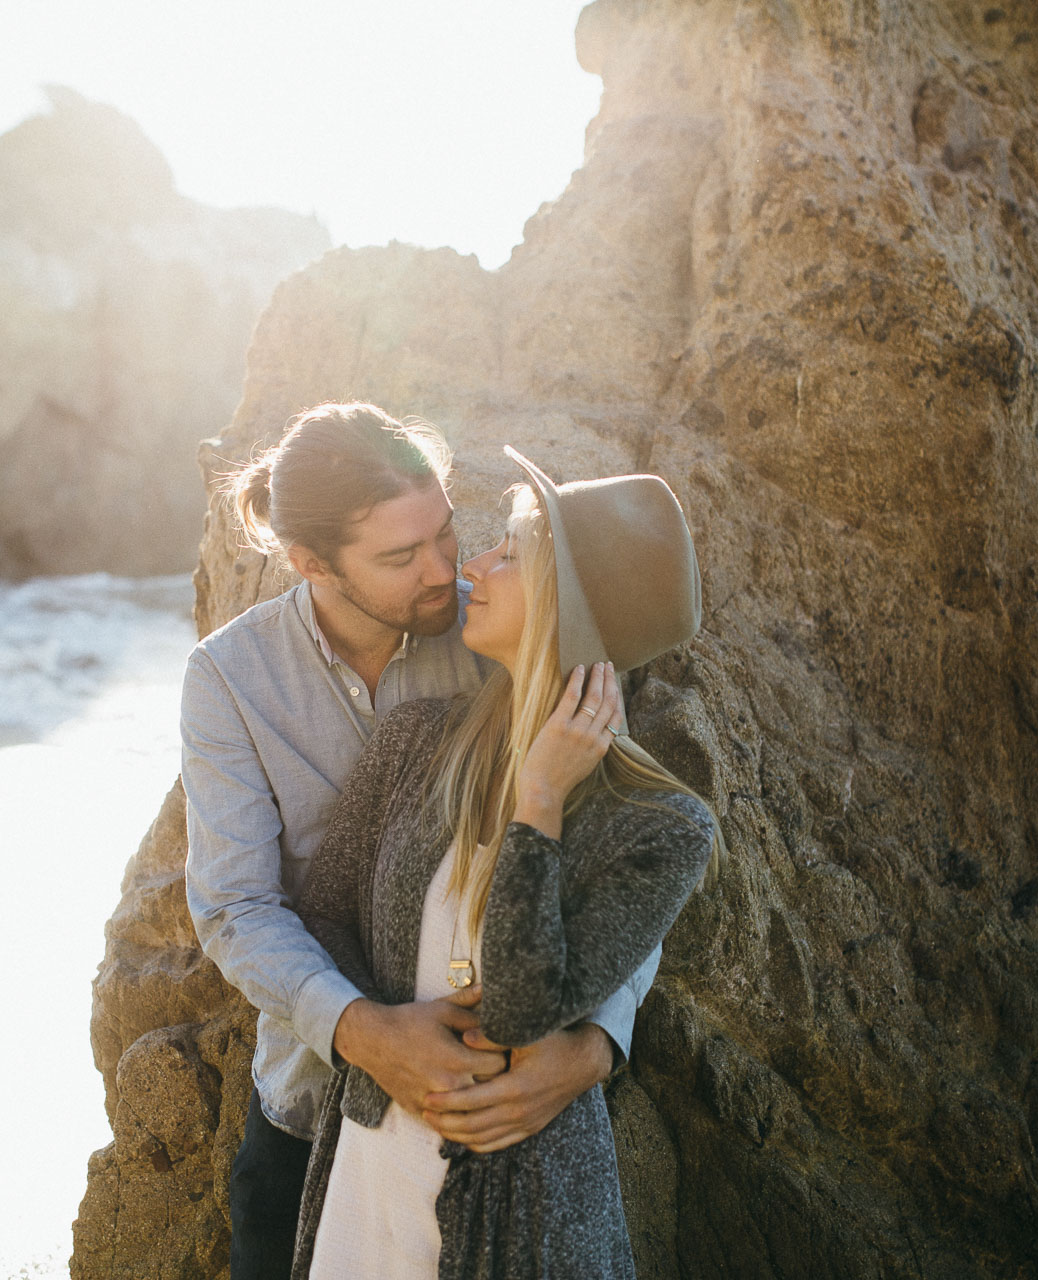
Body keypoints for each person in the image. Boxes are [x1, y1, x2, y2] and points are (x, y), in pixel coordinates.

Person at [182, 405, 663, 1280]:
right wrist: (367, 1035)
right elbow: (236, 906)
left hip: (501, 1119)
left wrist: (591, 1048)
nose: (446, 572)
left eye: (447, 532)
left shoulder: (505, 635)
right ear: (312, 564)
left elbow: (622, 852)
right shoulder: (230, 678)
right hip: (309, 1103)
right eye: (402, 558)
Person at [290, 447, 720, 1279]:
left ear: (567, 611)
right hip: (371, 1180)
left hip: (532, 1210)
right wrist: (379, 1042)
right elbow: (323, 913)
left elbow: (525, 1012)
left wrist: (540, 803)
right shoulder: (414, 741)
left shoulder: (663, 828)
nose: (473, 566)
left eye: (510, 555)